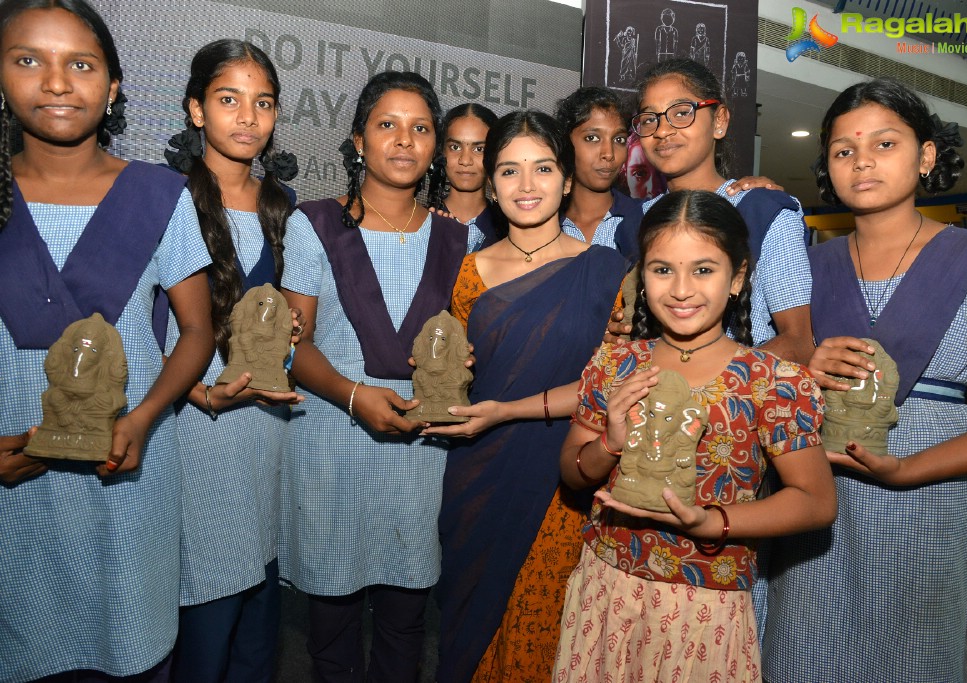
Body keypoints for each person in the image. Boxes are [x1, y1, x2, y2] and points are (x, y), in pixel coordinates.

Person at [762, 79, 967, 683]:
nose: (863, 161)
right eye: (843, 149)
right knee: (805, 654)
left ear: (926, 156)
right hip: (816, 493)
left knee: (917, 658)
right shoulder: (806, 266)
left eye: (885, 143)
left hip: (929, 495)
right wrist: (801, 368)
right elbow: (757, 373)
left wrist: (909, 470)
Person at [0, 1, 214, 681]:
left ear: (114, 86)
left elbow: (198, 331)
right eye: (29, 59)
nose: (57, 82)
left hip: (126, 478)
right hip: (10, 489)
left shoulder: (161, 194)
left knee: (132, 649)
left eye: (81, 64)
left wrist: (144, 419)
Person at [552, 190, 836, 682]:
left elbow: (816, 502)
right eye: (663, 270)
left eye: (703, 270)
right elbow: (572, 473)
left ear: (738, 277)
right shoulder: (615, 362)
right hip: (606, 586)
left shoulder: (772, 380)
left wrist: (713, 523)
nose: (681, 290)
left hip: (704, 602)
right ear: (643, 278)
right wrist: (610, 444)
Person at [279, 70, 477, 683]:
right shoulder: (314, 223)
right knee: (331, 630)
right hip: (331, 440)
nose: (402, 140)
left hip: (421, 456)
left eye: (420, 128)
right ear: (358, 141)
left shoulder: (461, 239)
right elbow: (294, 344)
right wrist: (355, 395)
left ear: (434, 147)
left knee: (405, 623)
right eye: (386, 125)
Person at [428, 110, 628, 683]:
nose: (526, 185)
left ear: (567, 179)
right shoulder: (469, 272)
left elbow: (613, 383)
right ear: (489, 186)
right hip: (477, 472)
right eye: (509, 171)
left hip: (567, 475)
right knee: (471, 629)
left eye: (542, 168)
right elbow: (461, 374)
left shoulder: (607, 271)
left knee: (547, 633)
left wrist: (509, 410)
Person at [162, 39, 304, 683]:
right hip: (193, 428)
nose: (248, 117)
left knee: (258, 624)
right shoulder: (162, 201)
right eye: (228, 100)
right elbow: (140, 327)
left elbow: (299, 325)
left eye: (263, 103)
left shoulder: (285, 210)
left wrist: (295, 327)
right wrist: (197, 393)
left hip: (266, 431)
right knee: (205, 616)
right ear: (196, 110)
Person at [633, 58, 814, 365]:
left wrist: (709, 382)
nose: (662, 130)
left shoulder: (764, 213)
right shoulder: (632, 221)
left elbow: (799, 342)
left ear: (719, 121)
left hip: (736, 400)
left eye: (681, 113)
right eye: (650, 119)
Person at [555, 86, 644, 264]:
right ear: (565, 144)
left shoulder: (644, 218)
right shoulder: (543, 224)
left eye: (619, 140)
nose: (608, 153)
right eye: (592, 138)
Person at [429, 102, 499, 247]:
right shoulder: (420, 222)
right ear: (441, 151)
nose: (465, 160)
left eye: (479, 149)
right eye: (455, 147)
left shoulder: (509, 231)